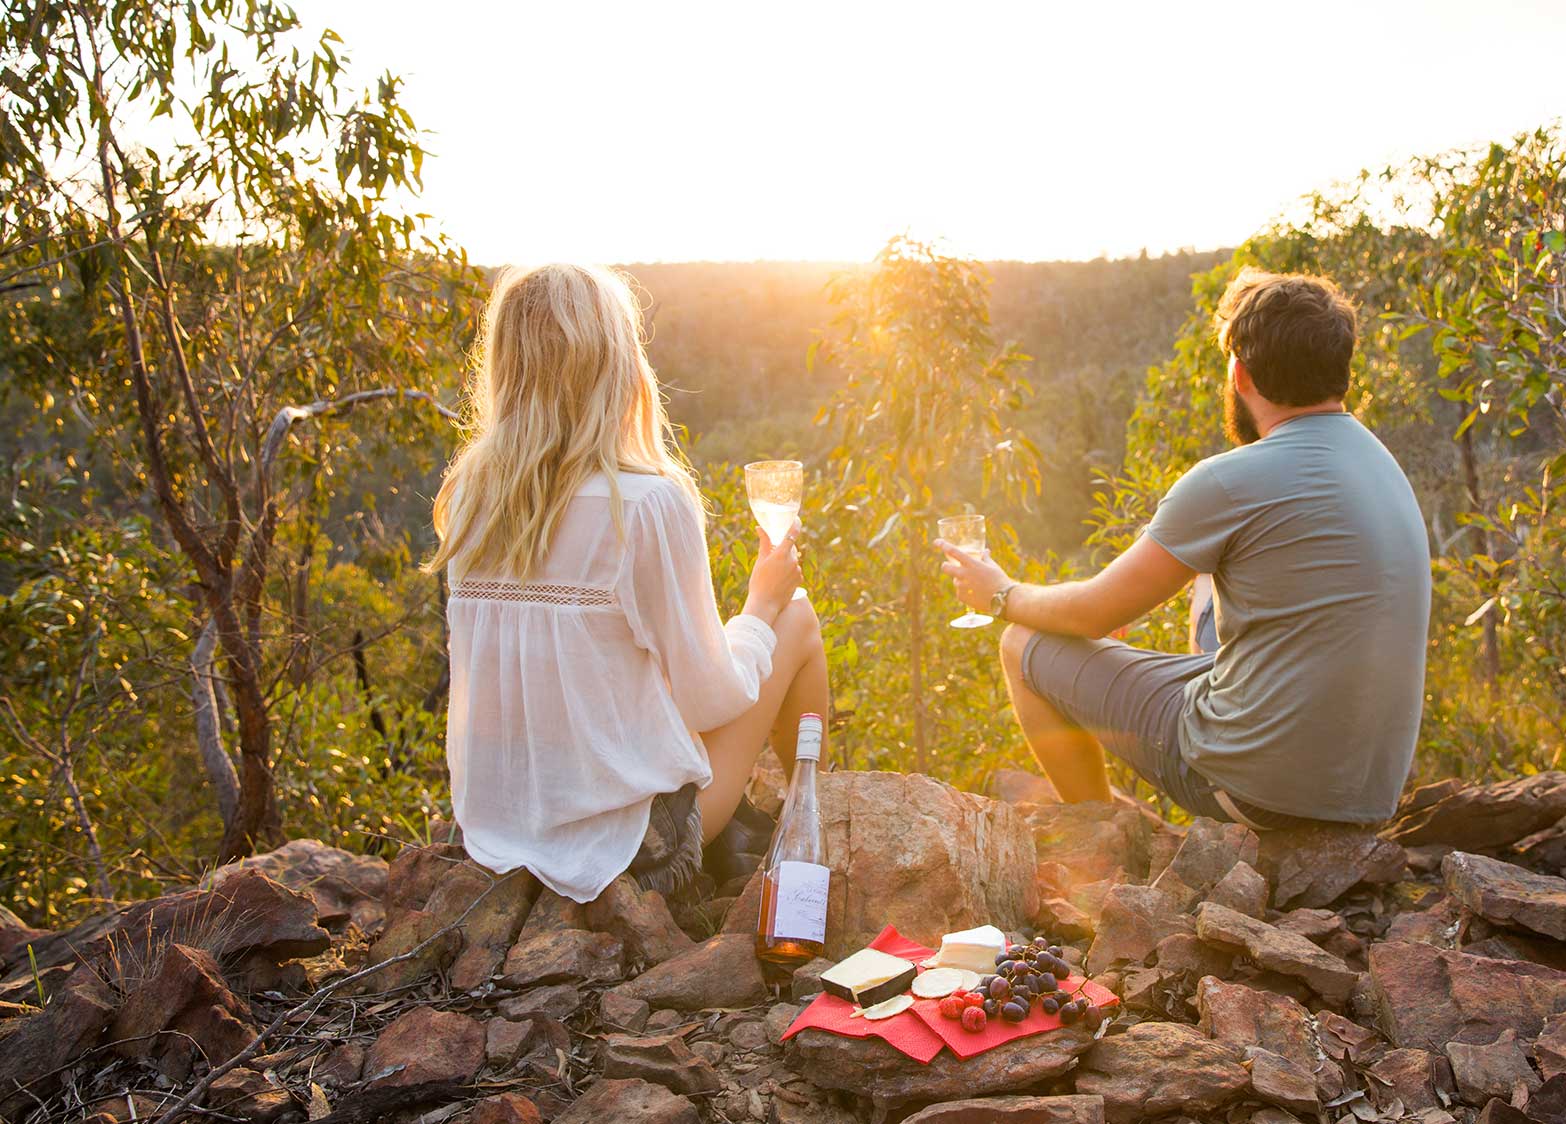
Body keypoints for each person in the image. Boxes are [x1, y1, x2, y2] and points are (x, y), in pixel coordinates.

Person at [938, 269, 1429, 830]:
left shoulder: (1229, 479)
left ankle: (1100, 832)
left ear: (1239, 374)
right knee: (1205, 582)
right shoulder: (1383, 465)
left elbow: (1096, 611)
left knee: (1020, 642)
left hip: (1255, 787)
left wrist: (999, 593)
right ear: (1340, 371)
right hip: (1364, 795)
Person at [427, 263, 825, 903]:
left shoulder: (472, 499)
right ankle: (811, 843)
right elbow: (709, 698)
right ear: (617, 364)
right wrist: (761, 601)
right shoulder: (641, 502)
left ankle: (769, 832)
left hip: (501, 835)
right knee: (797, 620)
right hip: (632, 851)